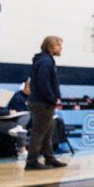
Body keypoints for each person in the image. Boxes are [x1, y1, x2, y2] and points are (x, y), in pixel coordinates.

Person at [26, 36, 67, 170]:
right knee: (38, 133)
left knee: (47, 132)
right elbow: (44, 83)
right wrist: (52, 98)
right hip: (42, 102)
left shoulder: (47, 60)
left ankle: (49, 158)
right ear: (50, 46)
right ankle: (31, 162)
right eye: (59, 45)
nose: (61, 48)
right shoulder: (45, 62)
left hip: (42, 101)